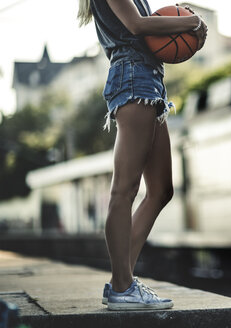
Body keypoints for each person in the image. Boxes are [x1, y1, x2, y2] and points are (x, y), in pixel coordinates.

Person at [77, 0, 207, 311]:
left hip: (150, 78)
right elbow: (138, 25)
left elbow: (147, 31)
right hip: (133, 75)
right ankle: (122, 285)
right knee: (124, 189)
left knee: (161, 189)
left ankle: (123, 280)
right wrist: (192, 24)